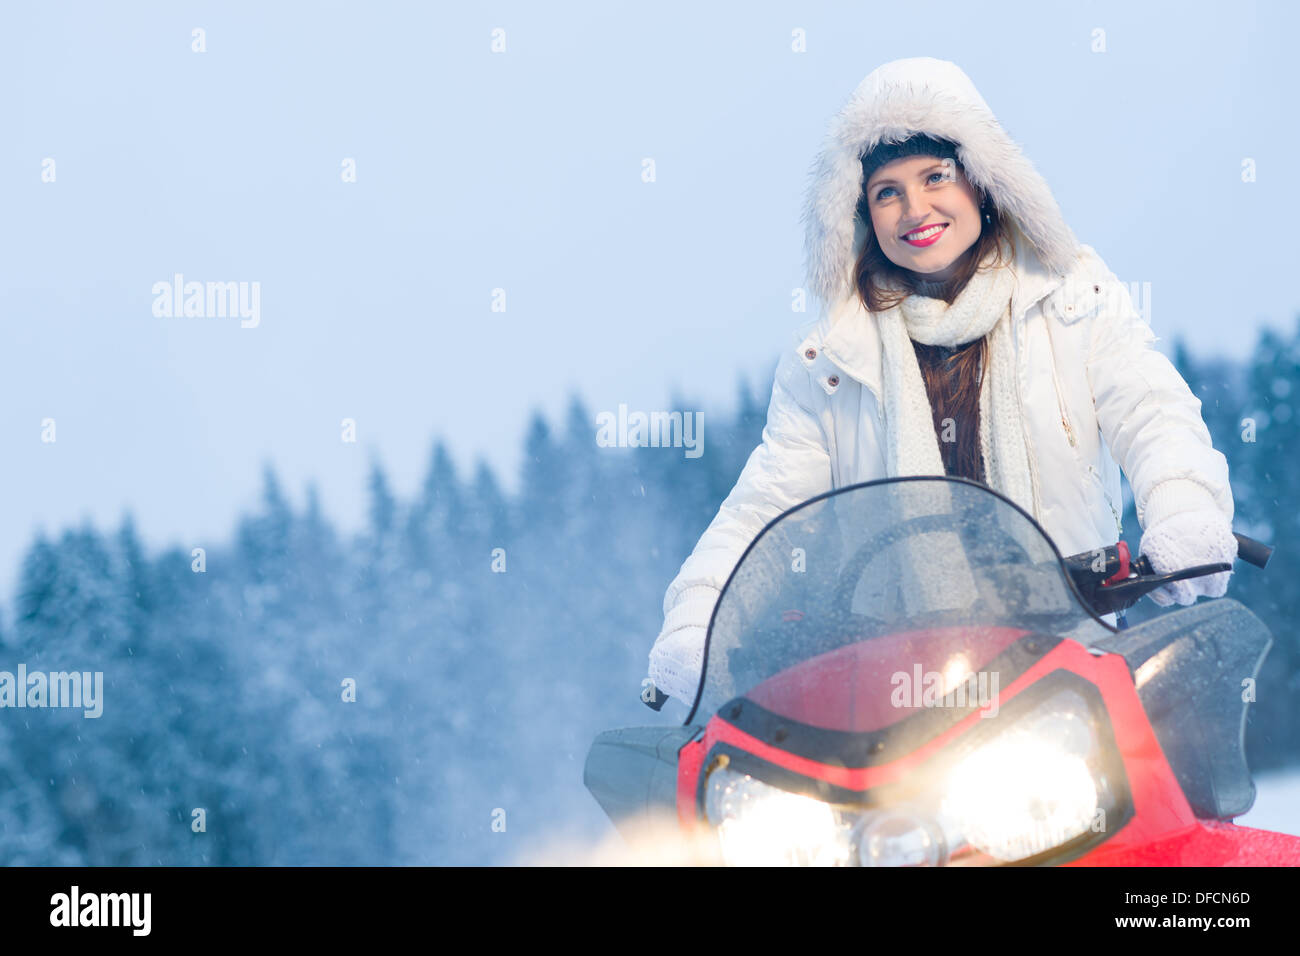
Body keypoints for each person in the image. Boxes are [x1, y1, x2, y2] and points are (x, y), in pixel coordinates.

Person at [646, 56, 1237, 704]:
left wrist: (1182, 510)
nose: (914, 208)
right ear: (861, 215)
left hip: (1078, 664)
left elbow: (1153, 412)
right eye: (887, 191)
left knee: (1175, 793)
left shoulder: (1073, 298)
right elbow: (762, 509)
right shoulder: (831, 361)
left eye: (935, 177)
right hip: (902, 698)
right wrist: (700, 614)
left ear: (982, 185)